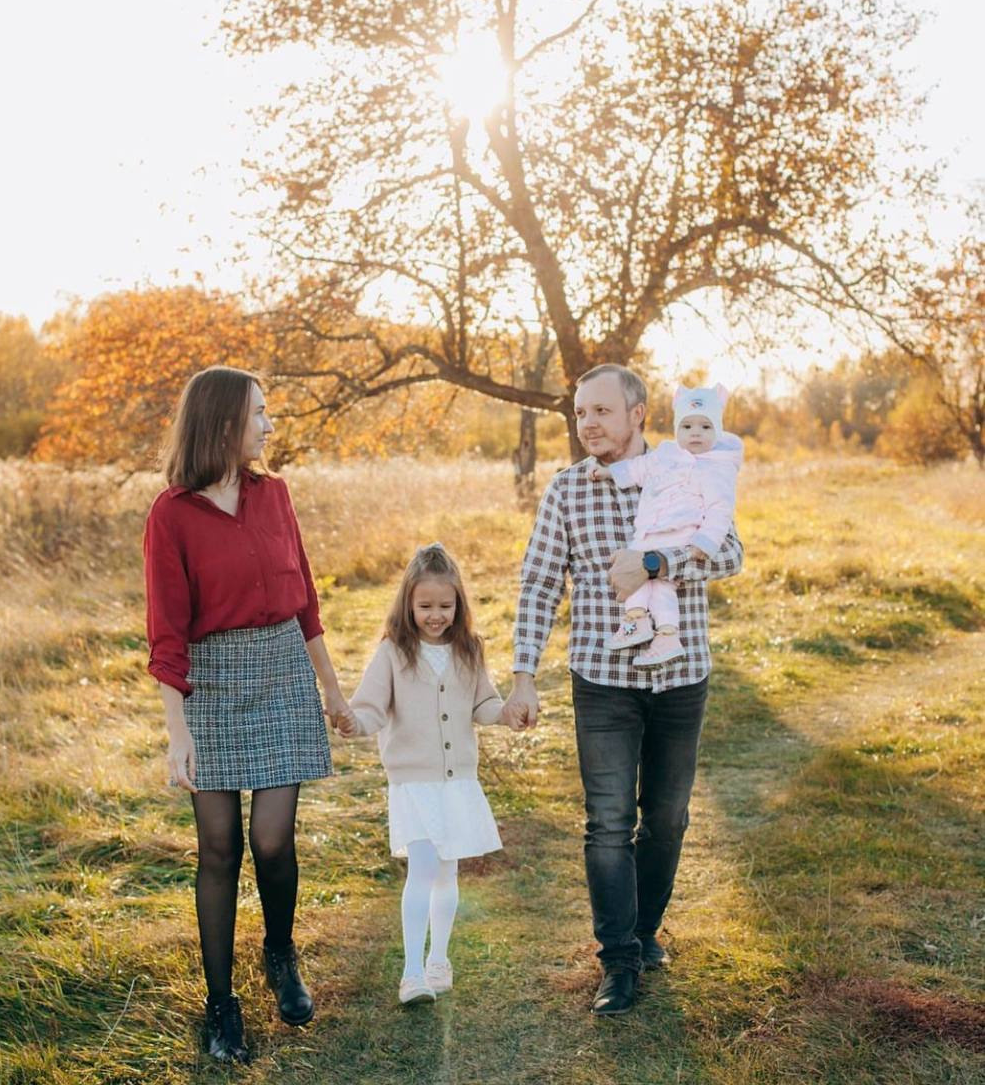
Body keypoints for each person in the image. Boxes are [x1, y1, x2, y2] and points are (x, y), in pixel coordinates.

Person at [507, 364, 744, 1016]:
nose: (589, 425)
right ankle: (618, 959)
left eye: (602, 412)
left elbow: (730, 554)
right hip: (602, 681)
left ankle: (642, 933)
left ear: (640, 414)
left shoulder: (686, 470)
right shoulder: (566, 490)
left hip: (679, 677)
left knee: (665, 818)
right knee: (608, 822)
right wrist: (524, 672)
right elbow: (537, 583)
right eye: (581, 413)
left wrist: (657, 563)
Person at [144, 366, 352, 1064]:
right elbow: (166, 633)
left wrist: (331, 689)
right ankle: (220, 1003)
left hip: (283, 669)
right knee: (219, 848)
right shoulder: (171, 513)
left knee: (271, 840)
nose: (269, 425)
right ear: (223, 422)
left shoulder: (276, 496)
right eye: (259, 414)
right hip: (211, 683)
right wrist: (178, 733)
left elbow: (307, 601)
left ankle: (281, 954)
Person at [336, 543, 523, 1005]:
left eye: (445, 605)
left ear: (459, 604)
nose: (436, 615)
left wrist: (508, 713)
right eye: (425, 607)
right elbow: (370, 710)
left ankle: (440, 959)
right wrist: (353, 723)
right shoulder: (393, 654)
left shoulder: (468, 650)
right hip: (414, 783)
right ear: (408, 605)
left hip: (457, 782)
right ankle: (411, 971)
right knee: (421, 870)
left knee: (447, 873)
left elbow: (484, 704)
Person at [589, 384, 743, 664]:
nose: (695, 433)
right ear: (676, 429)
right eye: (687, 427)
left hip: (680, 532)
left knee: (662, 585)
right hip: (649, 529)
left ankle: (668, 635)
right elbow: (639, 468)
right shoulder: (665, 454)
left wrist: (703, 544)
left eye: (705, 427)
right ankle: (637, 620)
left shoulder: (717, 468)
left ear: (718, 430)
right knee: (633, 566)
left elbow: (719, 510)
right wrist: (610, 472)